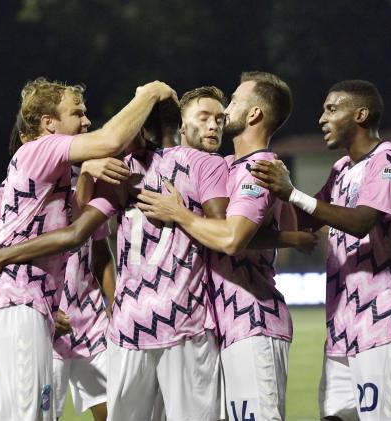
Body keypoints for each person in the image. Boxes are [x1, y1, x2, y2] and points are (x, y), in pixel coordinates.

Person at [0, 77, 176, 421]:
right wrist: (148, 94)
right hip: (15, 302)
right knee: (25, 415)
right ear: (48, 124)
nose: (85, 121)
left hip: (31, 306)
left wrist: (88, 171)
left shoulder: (58, 173)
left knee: (27, 414)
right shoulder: (40, 148)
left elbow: (82, 220)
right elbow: (110, 139)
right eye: (76, 113)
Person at [249, 80, 391, 421]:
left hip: (386, 316)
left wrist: (292, 193)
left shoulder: (389, 159)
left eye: (332, 109)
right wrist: (255, 200)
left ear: (360, 114)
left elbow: (361, 221)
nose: (321, 118)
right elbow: (302, 220)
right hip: (342, 323)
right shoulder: (342, 170)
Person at [138, 71, 300, 421]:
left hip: (253, 320)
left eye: (235, 102)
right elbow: (285, 227)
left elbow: (231, 239)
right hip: (222, 326)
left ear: (255, 114)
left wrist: (179, 214)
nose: (225, 112)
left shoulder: (259, 168)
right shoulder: (229, 166)